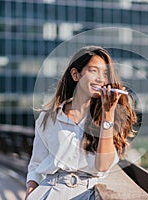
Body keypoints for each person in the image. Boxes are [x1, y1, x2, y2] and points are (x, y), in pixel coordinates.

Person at [25, 46, 137, 200]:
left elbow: (102, 166)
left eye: (105, 74)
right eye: (93, 71)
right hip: (50, 192)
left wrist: (108, 115)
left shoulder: (111, 119)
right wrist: (31, 193)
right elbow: (36, 165)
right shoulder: (48, 118)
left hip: (89, 193)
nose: (101, 79)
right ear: (75, 74)